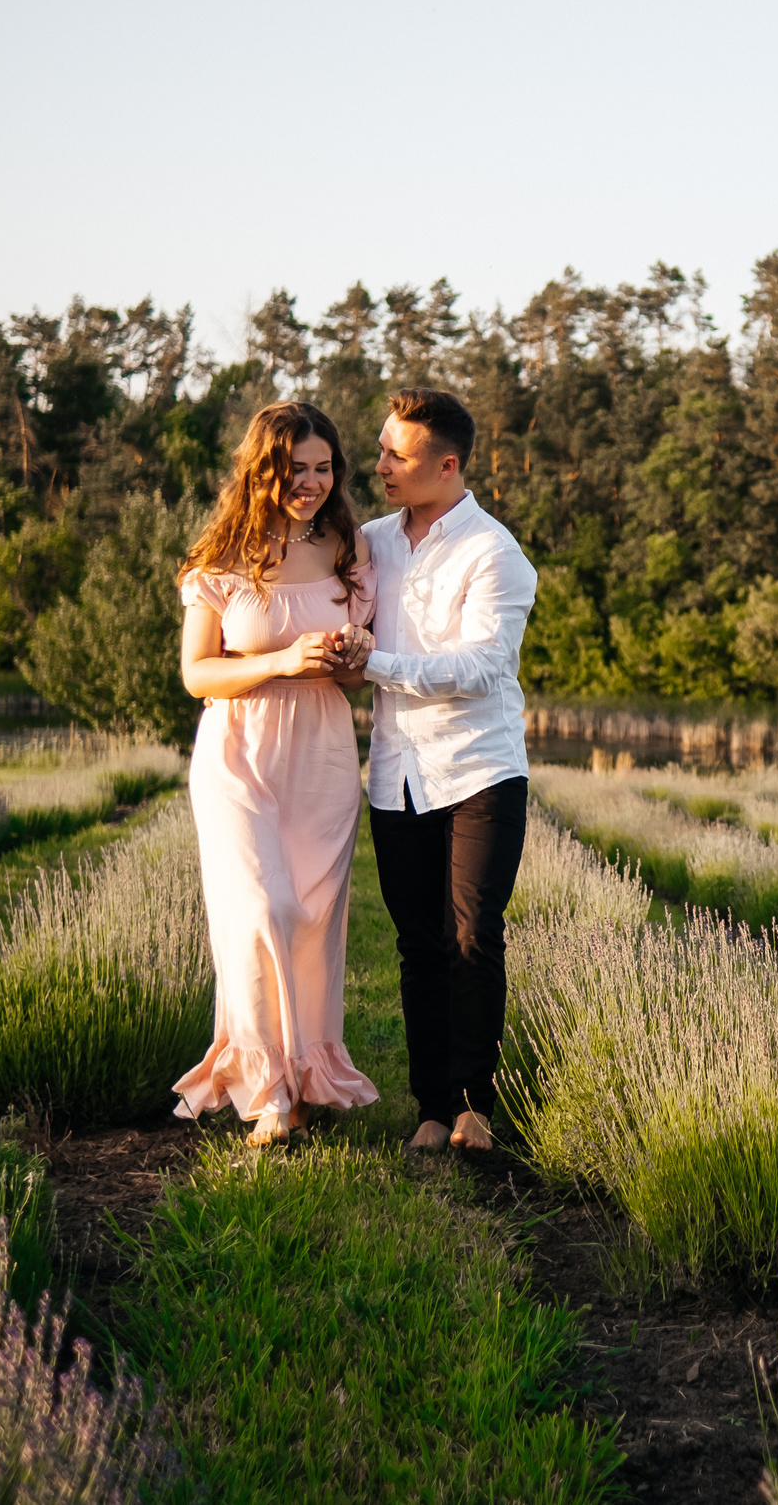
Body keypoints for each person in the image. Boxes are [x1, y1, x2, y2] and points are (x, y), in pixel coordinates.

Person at [171, 401, 381, 1147]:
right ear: (262, 470)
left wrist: (354, 657)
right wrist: (282, 661)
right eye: (295, 469)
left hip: (322, 752)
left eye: (324, 469)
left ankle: (305, 1078)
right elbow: (198, 674)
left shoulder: (350, 548)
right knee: (260, 908)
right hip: (238, 751)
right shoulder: (221, 555)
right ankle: (266, 1091)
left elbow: (357, 675)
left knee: (314, 918)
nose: (311, 483)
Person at [334, 386, 537, 1153]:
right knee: (419, 944)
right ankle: (430, 1106)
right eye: (381, 449)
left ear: (447, 465)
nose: (381, 464)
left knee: (473, 936)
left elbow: (482, 667)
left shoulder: (495, 552)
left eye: (398, 454)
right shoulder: (371, 542)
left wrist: (376, 662)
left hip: (480, 770)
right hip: (398, 772)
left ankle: (475, 1108)